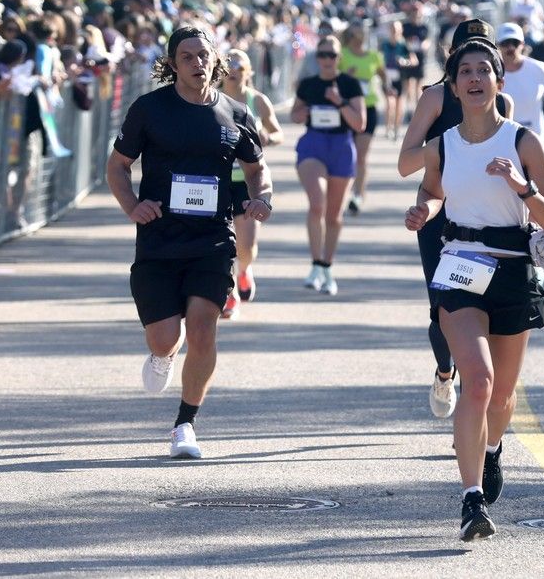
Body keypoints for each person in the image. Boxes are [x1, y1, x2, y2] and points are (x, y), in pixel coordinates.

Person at [403, 36, 544, 541]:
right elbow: (432, 191)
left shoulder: (523, 142)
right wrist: (423, 211)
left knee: (501, 395)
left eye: (484, 71)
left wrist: (522, 186)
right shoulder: (444, 144)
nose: (475, 79)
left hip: (513, 268)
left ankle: (493, 448)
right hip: (460, 265)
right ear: (454, 86)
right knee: (477, 380)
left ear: (499, 80)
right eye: (466, 72)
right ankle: (471, 498)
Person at [105, 26, 272, 460]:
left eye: (203, 55)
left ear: (216, 60)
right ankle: (162, 356)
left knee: (202, 327)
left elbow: (257, 170)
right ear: (173, 65)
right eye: (187, 57)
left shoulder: (236, 113)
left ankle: (185, 424)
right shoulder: (150, 109)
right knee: (164, 338)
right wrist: (132, 207)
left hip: (213, 239)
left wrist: (261, 198)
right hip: (160, 238)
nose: (197, 63)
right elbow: (118, 166)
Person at [398, 18, 515, 421]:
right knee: (443, 308)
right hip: (438, 215)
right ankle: (445, 371)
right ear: (453, 63)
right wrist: (447, 147)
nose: (476, 75)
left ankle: (471, 409)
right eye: (466, 62)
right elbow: (404, 162)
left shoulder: (504, 103)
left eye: (485, 63)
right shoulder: (434, 97)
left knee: (481, 308)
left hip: (485, 216)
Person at [290, 35, 367, 295]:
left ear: (339, 57)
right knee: (317, 202)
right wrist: (305, 113)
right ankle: (314, 264)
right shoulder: (308, 85)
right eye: (321, 54)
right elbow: (295, 114)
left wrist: (339, 101)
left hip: (342, 147)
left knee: (334, 215)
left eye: (331, 55)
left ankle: (326, 266)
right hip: (313, 145)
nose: (326, 60)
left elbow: (359, 124)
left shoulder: (349, 84)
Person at [220, 48, 284, 318]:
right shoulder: (211, 99)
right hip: (218, 179)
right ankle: (229, 290)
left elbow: (277, 131)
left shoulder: (257, 101)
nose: (233, 70)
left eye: (239, 66)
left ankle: (244, 269)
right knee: (221, 242)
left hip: (247, 180)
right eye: (229, 65)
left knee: (246, 246)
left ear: (249, 72)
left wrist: (267, 137)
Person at [496, 23, 544, 163]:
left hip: (537, 144)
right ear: (498, 45)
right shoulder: (490, 74)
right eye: (506, 43)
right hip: (503, 148)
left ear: (523, 44)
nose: (511, 47)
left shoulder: (539, 69)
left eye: (515, 42)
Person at [339, 22, 386, 214]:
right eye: (358, 32)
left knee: (361, 156)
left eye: (364, 33)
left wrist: (388, 87)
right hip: (347, 108)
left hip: (368, 108)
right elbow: (332, 76)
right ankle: (343, 191)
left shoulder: (374, 55)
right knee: (346, 154)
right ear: (350, 35)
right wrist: (345, 76)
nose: (362, 35)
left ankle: (357, 195)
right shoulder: (342, 54)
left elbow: (383, 75)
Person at [380, 19, 417, 140]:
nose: (394, 32)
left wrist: (404, 62)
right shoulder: (384, 44)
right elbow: (378, 60)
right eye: (392, 29)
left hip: (401, 78)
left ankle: (397, 129)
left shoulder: (404, 45)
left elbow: (414, 60)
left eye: (396, 29)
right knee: (389, 104)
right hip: (387, 78)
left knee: (398, 104)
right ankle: (388, 128)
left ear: (400, 30)